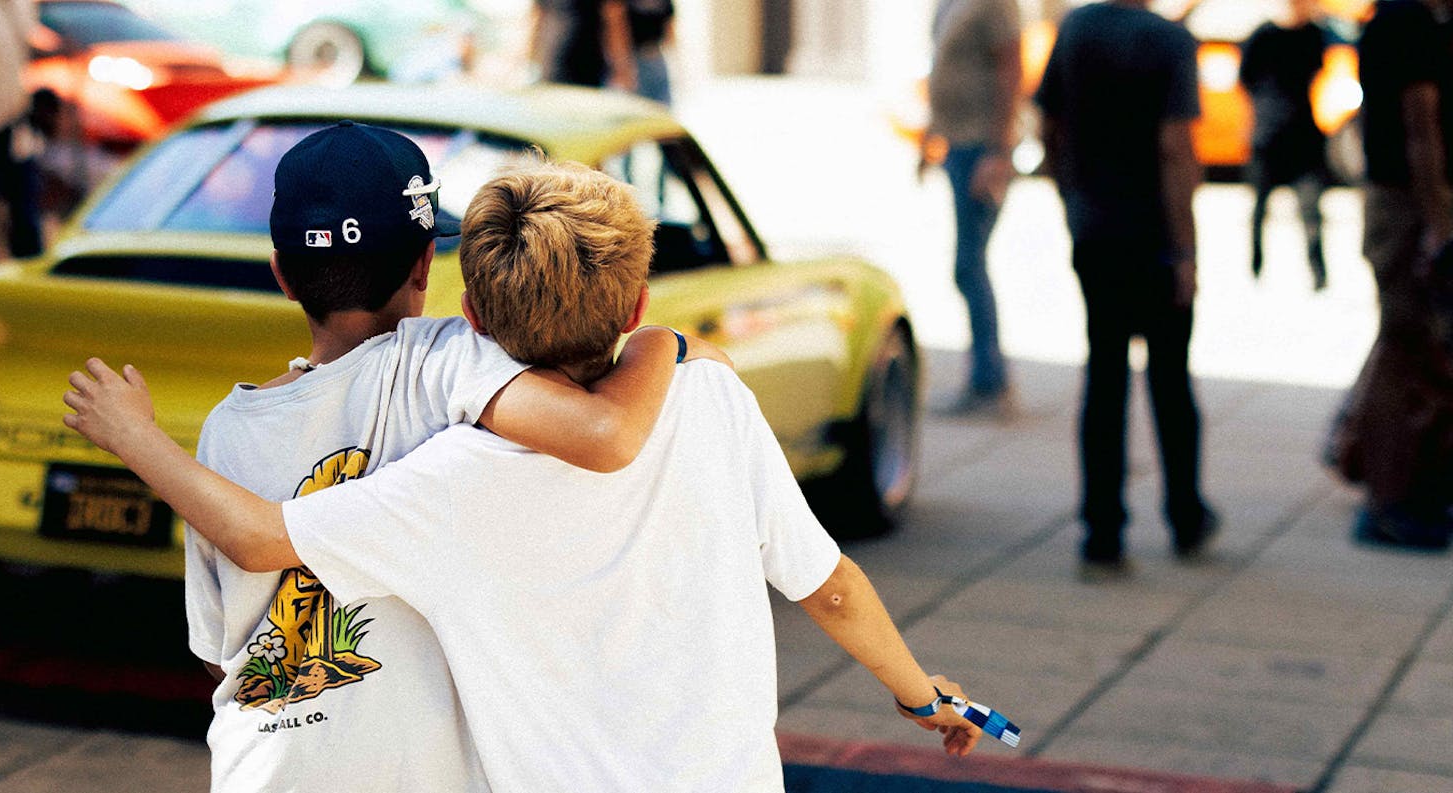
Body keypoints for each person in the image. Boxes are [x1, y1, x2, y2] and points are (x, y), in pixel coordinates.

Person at [65, 161, 999, 789]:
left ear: (467, 311)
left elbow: (266, 536)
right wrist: (920, 692)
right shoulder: (707, 399)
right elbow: (829, 587)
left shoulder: (449, 476)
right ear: (635, 301)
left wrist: (134, 436)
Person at [143, 122, 715, 792]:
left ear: (282, 275)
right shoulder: (445, 362)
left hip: (264, 769)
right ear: (423, 265)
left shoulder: (227, 428)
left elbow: (218, 655)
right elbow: (603, 430)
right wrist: (665, 342)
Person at [1035, 0, 1216, 578]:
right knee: (1170, 379)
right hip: (1154, 238)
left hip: (1097, 232)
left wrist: (1073, 203)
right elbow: (1175, 148)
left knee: (1105, 376)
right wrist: (1185, 249)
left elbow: (1050, 128)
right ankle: (1184, 514)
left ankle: (1102, 529)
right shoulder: (1168, 41)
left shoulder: (1076, 30)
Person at [1329, 0, 1453, 550]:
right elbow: (1420, 131)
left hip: (1407, 203)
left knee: (1411, 346)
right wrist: (1442, 225)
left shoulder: (1403, 20)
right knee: (1406, 346)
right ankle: (1388, 496)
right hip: (1407, 205)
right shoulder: (1407, 23)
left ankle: (1388, 478)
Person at [923, 0, 1024, 417]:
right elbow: (944, 66)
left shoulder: (995, 4)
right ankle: (986, 375)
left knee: (969, 264)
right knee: (968, 264)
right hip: (957, 143)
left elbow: (1011, 70)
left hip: (981, 147)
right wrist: (930, 133)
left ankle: (989, 380)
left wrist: (999, 151)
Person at [1239, 0, 1334, 290]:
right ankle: (1255, 266)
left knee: (1311, 211)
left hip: (1302, 136)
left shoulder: (1313, 34)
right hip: (1268, 137)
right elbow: (1246, 80)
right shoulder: (1262, 35)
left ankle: (1318, 272)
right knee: (1258, 210)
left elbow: (1318, 74)